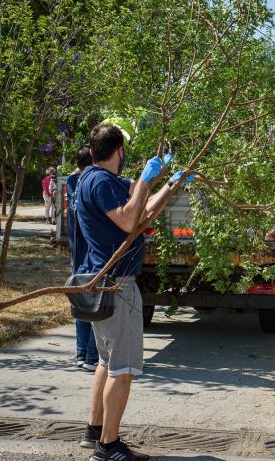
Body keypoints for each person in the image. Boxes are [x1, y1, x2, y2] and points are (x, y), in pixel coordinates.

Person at [76, 121, 181, 461]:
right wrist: (148, 178)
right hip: (116, 285)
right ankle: (108, 447)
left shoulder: (93, 180)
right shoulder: (101, 181)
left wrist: (170, 186)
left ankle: (94, 432)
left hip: (102, 281)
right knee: (122, 368)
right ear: (119, 151)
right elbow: (126, 219)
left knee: (106, 362)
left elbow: (141, 218)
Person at [67, 145, 98, 372]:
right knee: (96, 302)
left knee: (81, 301)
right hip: (92, 254)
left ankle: (81, 353)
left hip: (78, 254)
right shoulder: (93, 183)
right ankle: (91, 355)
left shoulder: (72, 183)